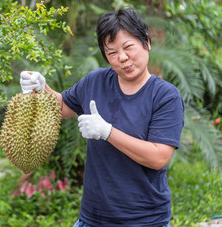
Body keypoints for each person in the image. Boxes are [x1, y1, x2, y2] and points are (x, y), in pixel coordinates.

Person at [20, 8, 184, 227]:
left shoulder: (165, 96)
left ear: (146, 41)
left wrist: (107, 132)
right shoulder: (95, 81)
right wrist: (40, 88)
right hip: (92, 219)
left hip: (144, 221)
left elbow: (158, 158)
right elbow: (61, 107)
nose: (122, 57)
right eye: (112, 52)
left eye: (128, 47)